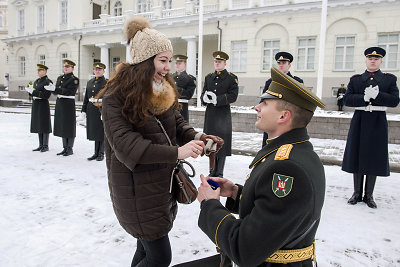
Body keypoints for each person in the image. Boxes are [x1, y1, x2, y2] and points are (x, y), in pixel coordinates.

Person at [97, 16, 223, 267]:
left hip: (158, 188)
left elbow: (176, 123)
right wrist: (178, 152)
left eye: (169, 60)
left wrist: (199, 137)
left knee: (145, 249)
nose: (168, 67)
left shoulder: (159, 89)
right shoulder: (115, 96)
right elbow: (126, 145)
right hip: (136, 191)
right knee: (159, 257)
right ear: (144, 61)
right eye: (162, 60)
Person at [175, 66, 326, 267]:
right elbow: (277, 210)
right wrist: (236, 192)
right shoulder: (296, 152)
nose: (257, 107)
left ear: (283, 117)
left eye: (264, 103)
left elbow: (244, 250)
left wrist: (210, 204)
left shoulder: (287, 168)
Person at [342, 47, 399, 209]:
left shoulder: (389, 80)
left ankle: (369, 195)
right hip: (360, 119)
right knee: (357, 154)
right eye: (370, 58)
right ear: (366, 60)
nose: (373, 61)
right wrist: (364, 97)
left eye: (376, 59)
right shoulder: (356, 80)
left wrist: (378, 96)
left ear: (381, 61)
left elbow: (395, 100)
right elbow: (347, 100)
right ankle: (356, 193)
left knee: (374, 156)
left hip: (377, 121)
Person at [201, 51, 238, 177]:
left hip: (223, 116)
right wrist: (204, 99)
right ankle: (212, 170)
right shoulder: (209, 77)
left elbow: (233, 96)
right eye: (216, 61)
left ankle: (219, 172)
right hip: (211, 115)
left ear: (225, 63)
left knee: (222, 143)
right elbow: (203, 93)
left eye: (220, 61)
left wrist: (218, 99)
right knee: (211, 142)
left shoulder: (231, 78)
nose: (217, 63)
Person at [261, 51, 303, 148]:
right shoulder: (270, 82)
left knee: (286, 150)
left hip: (288, 121)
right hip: (272, 121)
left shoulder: (297, 82)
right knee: (269, 149)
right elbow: (263, 102)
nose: (281, 65)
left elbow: (300, 104)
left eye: (284, 63)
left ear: (289, 65)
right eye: (279, 63)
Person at [45, 59, 79, 156]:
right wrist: (52, 89)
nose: (66, 68)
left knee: (69, 125)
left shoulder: (74, 79)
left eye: (68, 67)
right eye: (65, 66)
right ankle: (64, 147)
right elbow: (56, 92)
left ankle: (70, 148)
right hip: (60, 103)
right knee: (62, 125)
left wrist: (56, 89)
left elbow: (70, 91)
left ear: (72, 69)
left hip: (68, 103)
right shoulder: (60, 78)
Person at [79, 62, 107, 161]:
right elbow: (86, 98)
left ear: (103, 71)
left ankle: (101, 153)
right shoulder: (90, 82)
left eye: (100, 69)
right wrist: (83, 111)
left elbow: (109, 97)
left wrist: (102, 105)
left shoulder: (107, 82)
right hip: (91, 110)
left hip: (101, 110)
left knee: (101, 132)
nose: (97, 71)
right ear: (94, 71)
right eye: (96, 69)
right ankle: (96, 153)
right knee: (95, 132)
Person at [24, 64, 53, 152]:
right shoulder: (36, 81)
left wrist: (34, 92)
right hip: (36, 103)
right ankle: (40, 145)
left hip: (43, 103)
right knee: (38, 124)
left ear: (45, 71)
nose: (38, 72)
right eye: (38, 70)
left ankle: (45, 145)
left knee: (44, 124)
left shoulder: (48, 81)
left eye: (40, 70)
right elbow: (34, 92)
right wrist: (30, 91)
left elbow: (46, 95)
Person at [172, 54, 196, 122]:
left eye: (179, 63)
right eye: (176, 63)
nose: (177, 65)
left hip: (182, 107)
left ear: (185, 64)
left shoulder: (190, 79)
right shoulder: (170, 77)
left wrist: (174, 89)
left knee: (182, 128)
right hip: (170, 107)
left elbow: (188, 95)